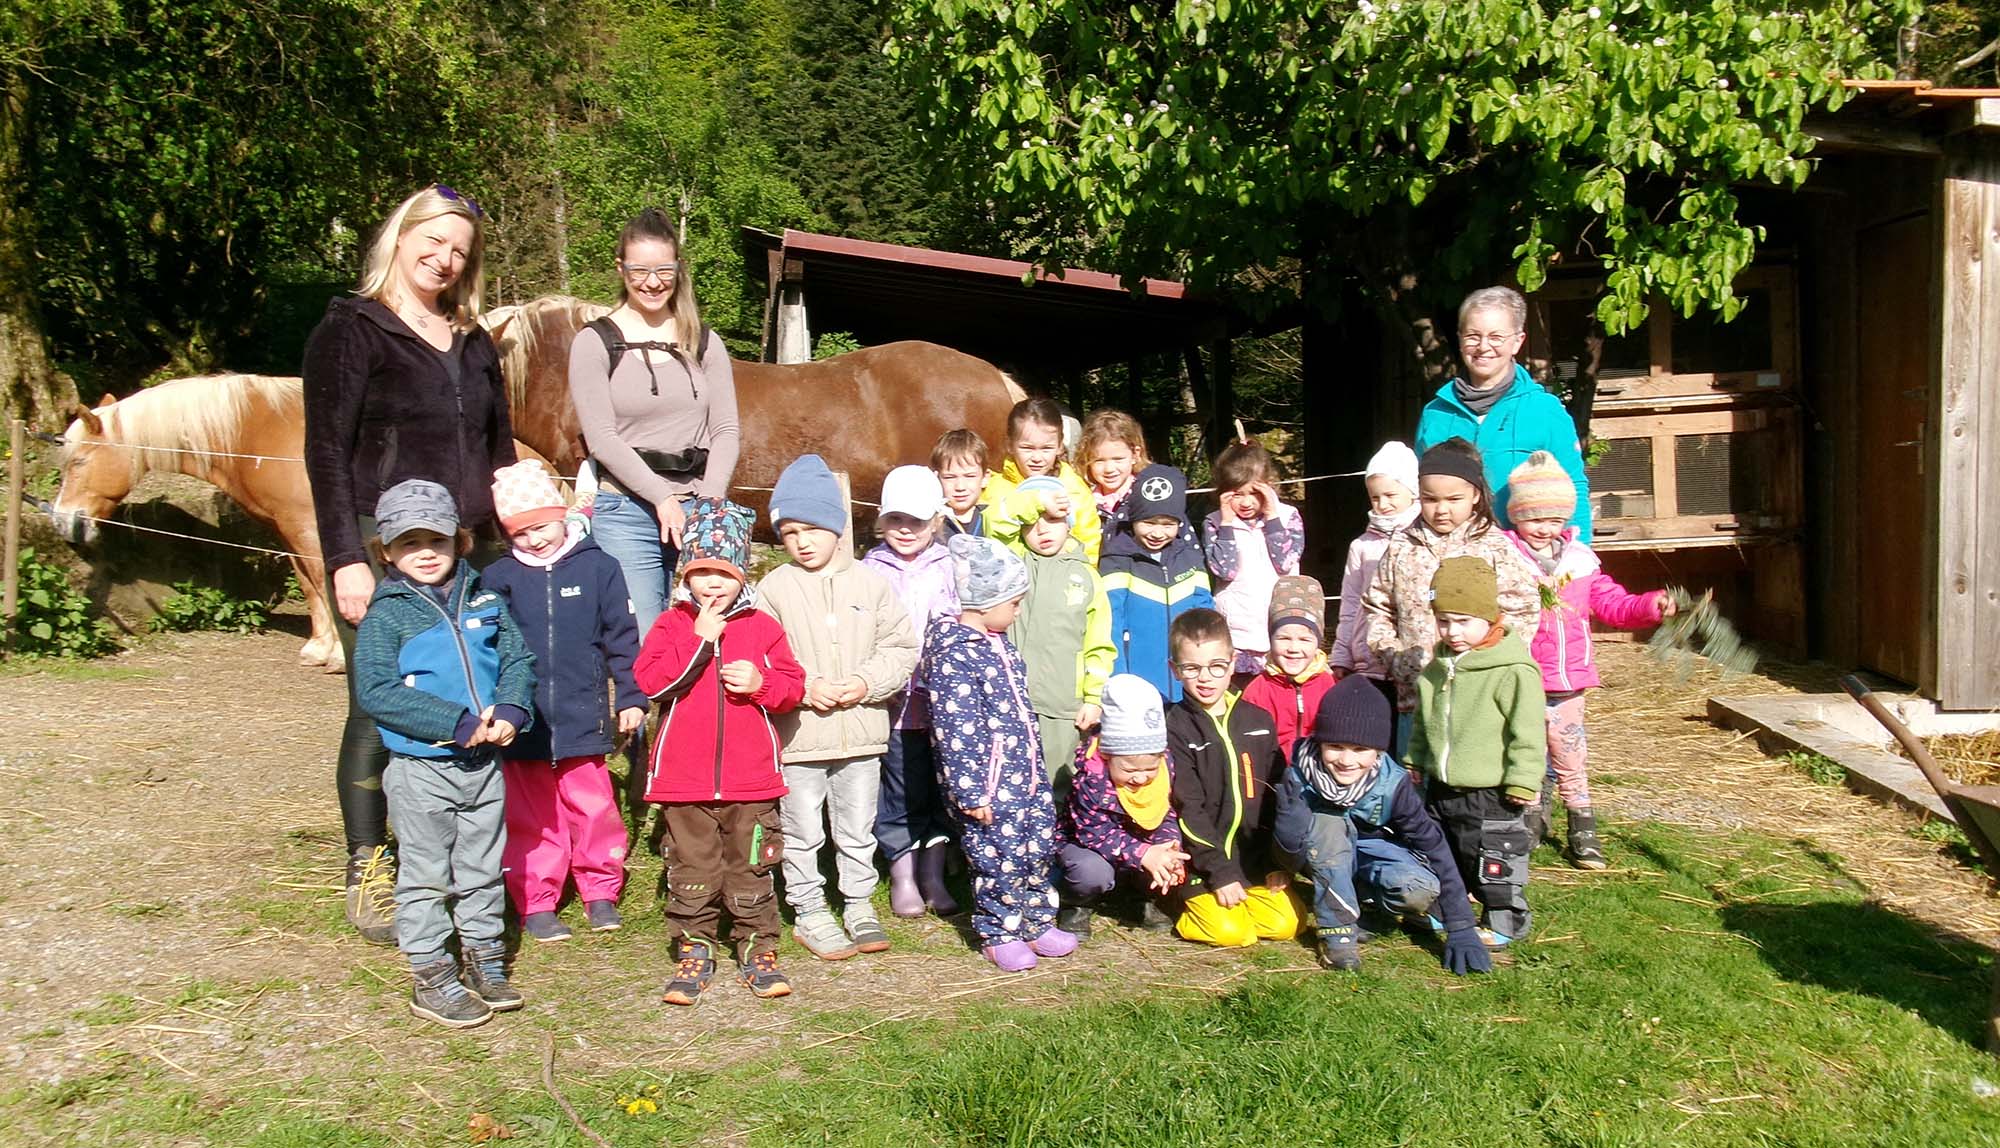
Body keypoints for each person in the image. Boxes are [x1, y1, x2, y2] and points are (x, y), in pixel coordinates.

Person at [303, 184, 518, 946]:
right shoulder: (351, 329)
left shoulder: (473, 342)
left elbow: (499, 449)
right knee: (381, 702)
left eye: (460, 250)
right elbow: (325, 452)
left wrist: (516, 536)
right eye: (434, 240)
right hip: (380, 544)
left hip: (470, 546)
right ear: (401, 235)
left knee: (474, 691)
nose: (445, 258)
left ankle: (461, 864)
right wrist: (345, 559)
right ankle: (369, 866)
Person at [350, 480, 535, 1029]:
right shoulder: (387, 616)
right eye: (410, 543)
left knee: (483, 866)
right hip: (422, 770)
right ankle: (430, 972)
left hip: (483, 766)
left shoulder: (485, 600)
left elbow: (517, 660)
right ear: (386, 551)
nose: (426, 553)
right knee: (427, 873)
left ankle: (483, 955)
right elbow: (377, 691)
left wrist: (512, 708)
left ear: (460, 541)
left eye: (437, 540)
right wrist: (453, 723)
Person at [633, 498, 806, 1004]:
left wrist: (760, 682)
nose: (713, 583)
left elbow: (792, 686)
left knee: (751, 867)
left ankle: (758, 948)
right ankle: (694, 950)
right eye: (702, 572)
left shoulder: (761, 626)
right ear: (686, 574)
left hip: (750, 779)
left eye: (724, 573)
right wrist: (699, 641)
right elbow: (652, 683)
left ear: (741, 573)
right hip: (683, 780)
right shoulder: (672, 625)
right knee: (692, 871)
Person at [759, 454, 920, 961]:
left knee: (856, 828)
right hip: (800, 738)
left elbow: (900, 646)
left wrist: (864, 682)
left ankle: (858, 904)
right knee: (802, 830)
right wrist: (805, 688)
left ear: (837, 526)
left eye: (812, 528)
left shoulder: (871, 583)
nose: (802, 541)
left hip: (862, 735)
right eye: (790, 533)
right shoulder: (774, 589)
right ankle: (809, 909)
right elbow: (763, 658)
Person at [480, 461, 645, 942]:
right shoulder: (498, 577)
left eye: (541, 526)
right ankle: (537, 899)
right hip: (522, 719)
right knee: (531, 814)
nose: (534, 539)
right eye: (521, 532)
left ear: (561, 514)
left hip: (582, 712)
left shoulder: (600, 567)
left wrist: (630, 695)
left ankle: (600, 889)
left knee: (593, 806)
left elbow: (622, 637)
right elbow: (486, 650)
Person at [568, 206, 740, 633]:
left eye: (664, 270)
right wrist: (662, 497)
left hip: (698, 508)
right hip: (627, 511)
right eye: (639, 271)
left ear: (679, 269)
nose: (652, 282)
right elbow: (601, 438)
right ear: (620, 268)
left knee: (705, 634)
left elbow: (725, 429)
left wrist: (709, 503)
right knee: (644, 641)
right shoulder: (594, 342)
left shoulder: (704, 341)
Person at [1503, 451, 1673, 869]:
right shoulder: (1504, 558)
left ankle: (1582, 824)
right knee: (1524, 751)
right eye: (1534, 518)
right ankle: (1530, 818)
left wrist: (1649, 605)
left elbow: (1613, 604)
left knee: (1569, 752)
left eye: (1553, 519)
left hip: (1568, 680)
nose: (1544, 528)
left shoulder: (1580, 561)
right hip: (1522, 677)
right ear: (1516, 516)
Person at [921, 535, 1076, 970]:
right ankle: (999, 931)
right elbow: (955, 731)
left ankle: (1036, 922)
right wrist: (972, 792)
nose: (1018, 611)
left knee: (1037, 848)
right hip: (989, 788)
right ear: (986, 601)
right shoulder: (954, 655)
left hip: (1027, 777)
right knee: (998, 858)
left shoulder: (1000, 643)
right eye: (1015, 603)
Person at [1273, 675, 1491, 975]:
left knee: (1418, 888)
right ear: (1319, 742)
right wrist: (1288, 829)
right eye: (1335, 746)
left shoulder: (1393, 784)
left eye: (1360, 749)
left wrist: (1461, 925)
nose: (1346, 760)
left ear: (1378, 751)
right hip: (1321, 853)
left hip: (1370, 854)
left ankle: (1364, 901)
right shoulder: (1299, 776)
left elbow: (1433, 844)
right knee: (1329, 825)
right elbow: (1287, 855)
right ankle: (1337, 933)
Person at [1362, 438, 1541, 748]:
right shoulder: (1402, 547)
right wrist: (1396, 658)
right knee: (1414, 773)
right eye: (1430, 499)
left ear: (1475, 495)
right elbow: (1378, 606)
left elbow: (1522, 609)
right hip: (1416, 698)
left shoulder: (1494, 547)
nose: (1441, 510)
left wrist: (1491, 660)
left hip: (1479, 700)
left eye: (1454, 499)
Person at [1407, 556, 1548, 948]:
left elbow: (1528, 731)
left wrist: (1523, 779)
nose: (1452, 632)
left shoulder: (1513, 670)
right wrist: (1416, 758)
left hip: (1491, 790)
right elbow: (1424, 719)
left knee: (1493, 856)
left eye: (1463, 621)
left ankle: (1505, 919)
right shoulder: (1438, 668)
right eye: (1444, 621)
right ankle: (1448, 909)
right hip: (1443, 785)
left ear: (1489, 617)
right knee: (1443, 850)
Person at [1164, 608, 1301, 948]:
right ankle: (1178, 903)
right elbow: (1187, 806)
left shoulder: (1258, 720)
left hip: (1253, 859)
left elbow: (1275, 798)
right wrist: (1220, 872)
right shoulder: (1175, 726)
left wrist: (1276, 862)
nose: (1205, 678)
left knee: (1284, 925)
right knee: (1232, 933)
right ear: (1175, 670)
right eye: (1191, 668)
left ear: (1233, 663)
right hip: (1201, 862)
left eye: (1216, 666)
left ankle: (1243, 895)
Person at [861, 465, 962, 919]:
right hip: (894, 704)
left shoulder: (951, 567)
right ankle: (902, 874)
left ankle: (933, 874)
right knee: (900, 790)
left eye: (917, 521)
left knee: (941, 790)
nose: (905, 529)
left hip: (943, 704)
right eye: (896, 519)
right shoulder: (870, 570)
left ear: (937, 520)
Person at [1414, 286, 1593, 541]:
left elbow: (1573, 488)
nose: (1483, 346)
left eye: (1496, 337)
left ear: (1518, 341)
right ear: (1460, 339)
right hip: (1450, 556)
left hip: (1527, 557)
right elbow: (1416, 491)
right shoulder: (1436, 413)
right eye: (1473, 336)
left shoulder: (1545, 411)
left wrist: (1578, 554)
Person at [1001, 476, 1115, 797]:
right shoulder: (1012, 560)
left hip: (1063, 706)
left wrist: (1093, 698)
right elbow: (996, 520)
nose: (1041, 530)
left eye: (1052, 520)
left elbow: (1099, 645)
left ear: (1069, 523)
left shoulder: (1087, 577)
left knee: (1058, 789)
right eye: (1031, 521)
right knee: (1010, 785)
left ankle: (1056, 832)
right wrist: (1037, 502)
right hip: (1010, 700)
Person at [1057, 674, 1189, 941]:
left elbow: (1165, 813)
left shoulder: (1163, 770)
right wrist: (1143, 853)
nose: (1140, 778)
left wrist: (1168, 845)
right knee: (1091, 872)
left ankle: (1143, 895)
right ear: (1107, 756)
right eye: (1129, 770)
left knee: (1171, 853)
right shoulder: (1092, 781)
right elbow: (1093, 834)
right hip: (1089, 846)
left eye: (1150, 769)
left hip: (1137, 845)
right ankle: (1077, 901)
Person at [1100, 463, 1214, 703]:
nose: (1158, 533)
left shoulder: (1190, 556)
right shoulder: (1117, 558)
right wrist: (1119, 679)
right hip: (1137, 686)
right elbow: (1110, 623)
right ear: (1133, 518)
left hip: (1188, 685)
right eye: (1149, 522)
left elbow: (1206, 613)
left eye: (1168, 524)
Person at [1202, 439, 1305, 676]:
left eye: (1254, 493)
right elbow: (1224, 570)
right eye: (1237, 494)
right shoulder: (1215, 522)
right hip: (1236, 632)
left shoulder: (1288, 517)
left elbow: (1285, 562)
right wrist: (1227, 524)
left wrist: (1272, 517)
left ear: (1269, 487)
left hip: (1279, 628)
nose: (1246, 502)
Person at [1332, 441, 1421, 717]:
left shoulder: (1423, 541)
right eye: (1375, 497)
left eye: (1391, 495)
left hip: (1413, 659)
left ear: (1413, 491)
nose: (1383, 505)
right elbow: (1350, 603)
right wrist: (1342, 653)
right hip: (1369, 661)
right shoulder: (1361, 546)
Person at [982, 397, 1104, 562]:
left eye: (1046, 448)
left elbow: (1088, 543)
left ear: (1060, 446)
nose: (1037, 458)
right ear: (1009, 445)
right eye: (1027, 448)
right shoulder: (994, 489)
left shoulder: (1074, 488)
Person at [1241, 575, 1337, 760]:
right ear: (1270, 640)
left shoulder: (1331, 687)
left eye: (1304, 640)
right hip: (1272, 773)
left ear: (1318, 643)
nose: (1293, 648)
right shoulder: (1257, 691)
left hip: (1319, 771)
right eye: (1284, 638)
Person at [1076, 408, 1150, 527]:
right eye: (1099, 460)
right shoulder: (1085, 500)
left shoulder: (1147, 496)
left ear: (1135, 455)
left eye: (1118, 459)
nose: (1109, 469)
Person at [932, 428, 990, 539]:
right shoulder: (929, 523)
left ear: (984, 478)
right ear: (936, 479)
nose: (960, 487)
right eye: (949, 477)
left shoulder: (994, 518)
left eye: (969, 476)